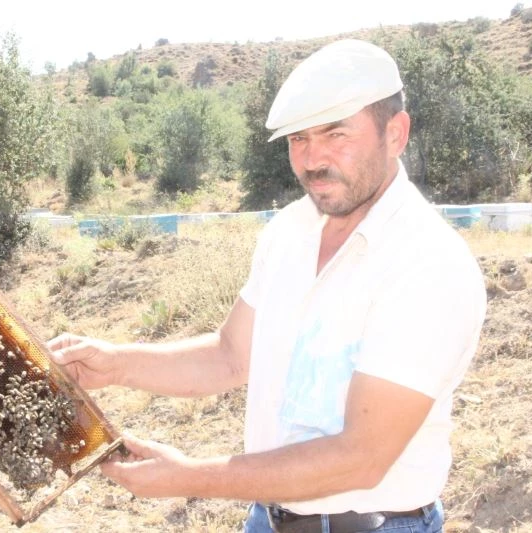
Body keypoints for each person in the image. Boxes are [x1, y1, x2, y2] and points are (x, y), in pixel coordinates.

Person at [47, 39, 486, 533]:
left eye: (336, 134)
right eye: (299, 139)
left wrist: (189, 476)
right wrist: (115, 364)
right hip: (268, 517)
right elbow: (232, 355)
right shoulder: (290, 231)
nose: (312, 159)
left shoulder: (428, 263)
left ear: (396, 133)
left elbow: (360, 458)